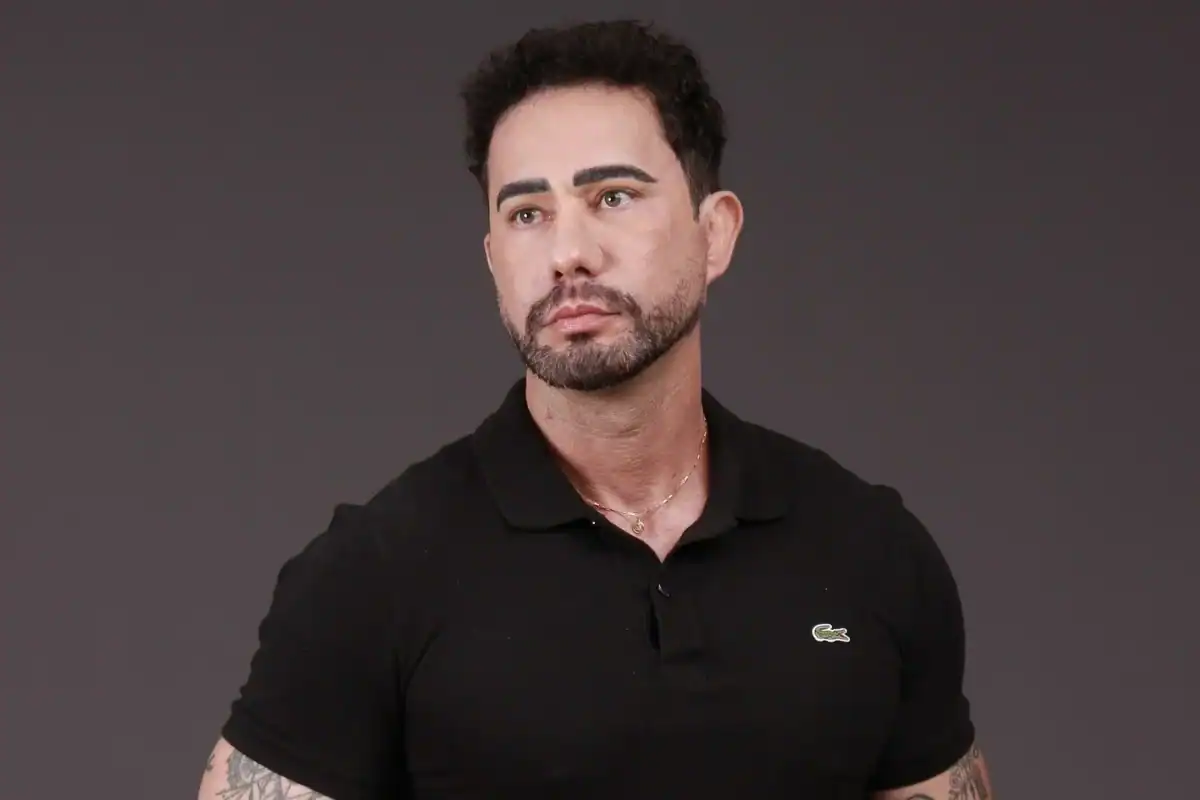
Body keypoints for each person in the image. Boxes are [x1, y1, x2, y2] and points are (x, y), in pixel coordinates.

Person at [196, 18, 993, 800]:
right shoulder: (372, 576)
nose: (568, 252)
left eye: (613, 196)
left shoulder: (870, 550)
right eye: (527, 213)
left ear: (714, 234)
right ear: (494, 259)